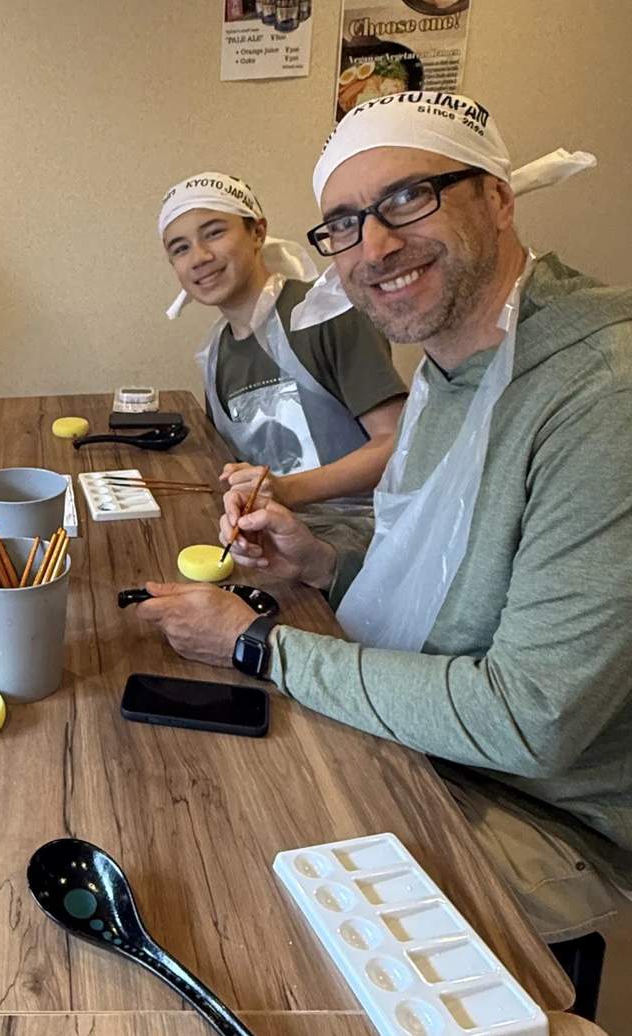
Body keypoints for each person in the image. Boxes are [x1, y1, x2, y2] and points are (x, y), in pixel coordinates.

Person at [138, 94, 630, 943]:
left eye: (409, 197)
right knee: (180, 806)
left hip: (543, 809)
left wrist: (255, 643)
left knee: (237, 903)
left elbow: (528, 720)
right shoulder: (449, 369)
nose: (374, 245)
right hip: (431, 737)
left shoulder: (600, 393)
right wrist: (323, 568)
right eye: (344, 221)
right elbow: (449, 583)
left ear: (498, 198)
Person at [159, 172, 406, 515]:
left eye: (214, 233)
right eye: (180, 248)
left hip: (369, 541)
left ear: (257, 232)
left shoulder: (326, 313)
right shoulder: (216, 353)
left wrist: (288, 491)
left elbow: (398, 442)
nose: (199, 257)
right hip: (271, 539)